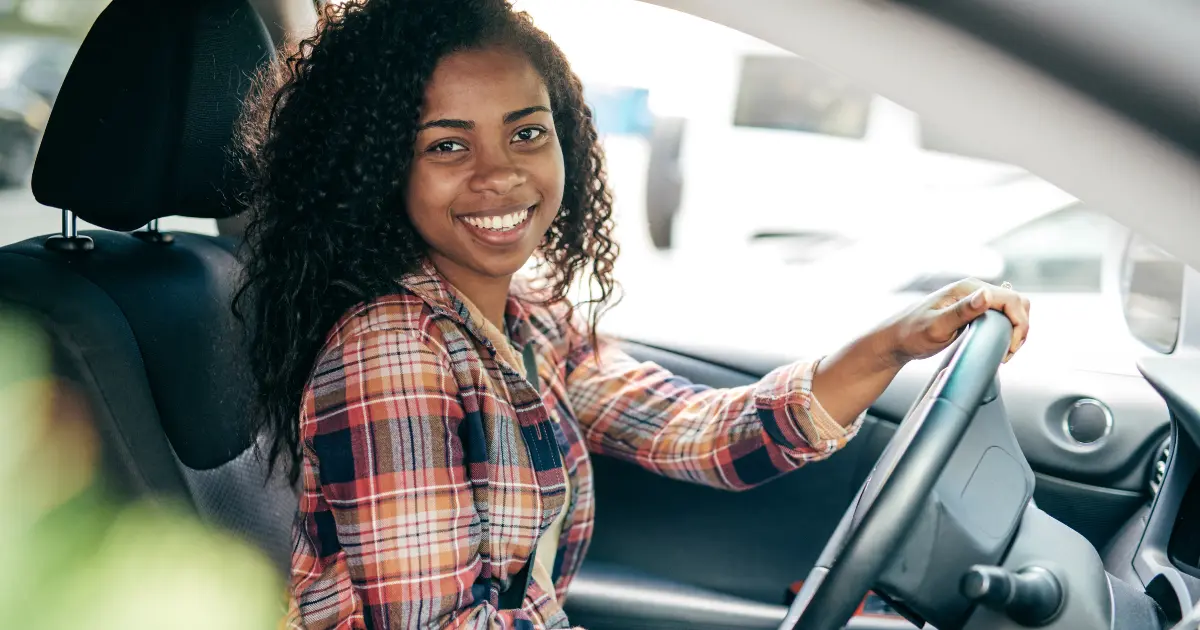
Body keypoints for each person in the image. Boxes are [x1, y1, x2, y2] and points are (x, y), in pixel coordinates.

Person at [234, 1, 1031, 628]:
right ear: (380, 171)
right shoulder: (394, 352)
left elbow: (702, 432)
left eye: (526, 133)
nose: (500, 175)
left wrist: (892, 345)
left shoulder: (525, 322)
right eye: (448, 146)